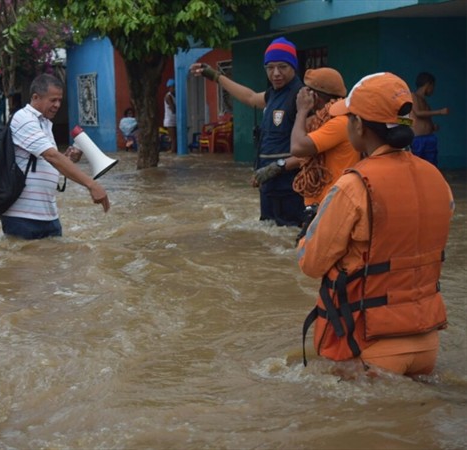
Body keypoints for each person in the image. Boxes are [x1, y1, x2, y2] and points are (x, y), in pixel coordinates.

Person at [298, 72, 453, 377]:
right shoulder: (438, 179)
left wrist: (306, 237)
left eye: (349, 118)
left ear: (358, 126)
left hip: (369, 345)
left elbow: (311, 263)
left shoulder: (353, 186)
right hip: (427, 342)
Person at [191, 37, 304, 226]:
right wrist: (216, 76)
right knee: (270, 242)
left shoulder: (301, 97)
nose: (276, 73)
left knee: (289, 237)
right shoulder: (274, 94)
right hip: (269, 187)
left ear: (293, 66)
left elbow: (313, 149)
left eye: (282, 67)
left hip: (290, 188)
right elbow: (250, 97)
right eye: (270, 67)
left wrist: (277, 167)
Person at [1, 73, 110, 239]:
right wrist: (91, 184)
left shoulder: (44, 123)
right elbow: (52, 156)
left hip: (48, 215)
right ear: (35, 97)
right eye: (53, 100)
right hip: (23, 216)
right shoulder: (24, 118)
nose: (58, 105)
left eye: (60, 100)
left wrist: (68, 159)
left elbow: (49, 160)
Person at [288, 68, 360, 240]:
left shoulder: (339, 123)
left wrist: (302, 110)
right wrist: (278, 167)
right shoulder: (326, 120)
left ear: (315, 97)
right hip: (321, 206)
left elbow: (298, 147)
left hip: (330, 208)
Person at [411, 71, 449, 166]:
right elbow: (418, 113)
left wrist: (432, 126)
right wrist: (440, 112)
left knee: (431, 165)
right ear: (428, 84)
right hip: (418, 139)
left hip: (429, 137)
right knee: (417, 164)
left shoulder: (425, 101)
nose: (433, 90)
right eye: (433, 87)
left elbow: (426, 118)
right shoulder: (413, 96)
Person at [163, 79, 177, 153]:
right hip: (170, 120)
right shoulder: (168, 96)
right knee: (173, 138)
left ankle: (173, 150)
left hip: (176, 119)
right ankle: (172, 151)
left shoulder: (175, 95)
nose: (175, 89)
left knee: (176, 138)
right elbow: (173, 109)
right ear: (170, 87)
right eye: (173, 87)